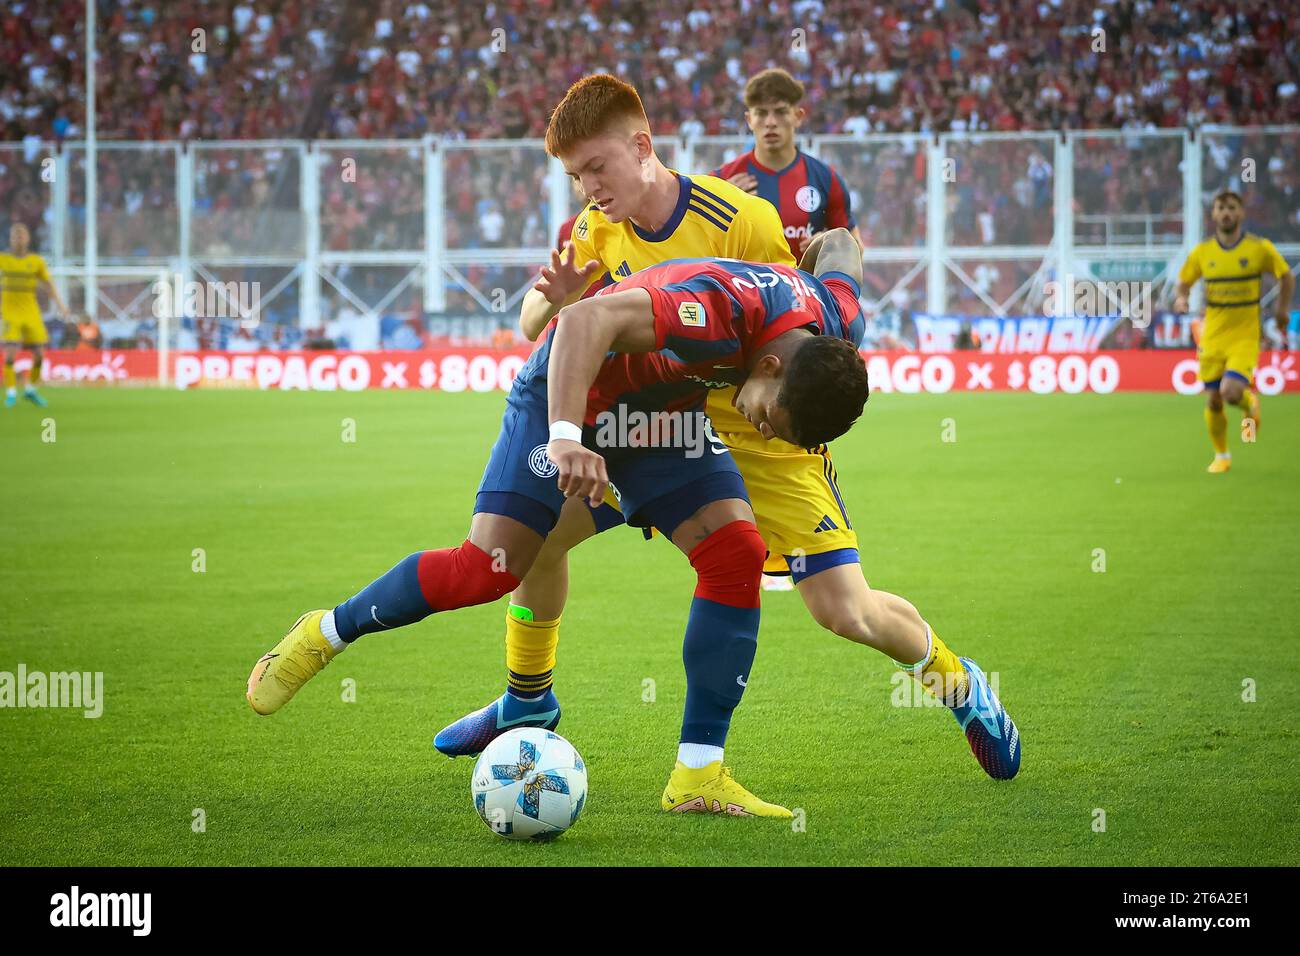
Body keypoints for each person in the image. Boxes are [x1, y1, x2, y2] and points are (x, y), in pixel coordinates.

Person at [438, 74, 1021, 784]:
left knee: (845, 611)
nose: (589, 185)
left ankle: (963, 687)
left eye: (596, 168)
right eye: (579, 174)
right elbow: (546, 325)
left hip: (762, 427)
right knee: (536, 542)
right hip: (662, 425)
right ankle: (526, 701)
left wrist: (822, 334)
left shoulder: (736, 216)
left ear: (640, 149)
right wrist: (551, 302)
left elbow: (790, 319)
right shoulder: (597, 226)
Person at [246, 232, 871, 818]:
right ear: (770, 367)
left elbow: (842, 247)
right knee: (487, 570)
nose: (761, 429)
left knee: (736, 551)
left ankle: (697, 775)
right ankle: (326, 632)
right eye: (771, 418)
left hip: (663, 422)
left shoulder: (835, 319)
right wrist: (569, 437)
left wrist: (815, 241)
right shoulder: (715, 309)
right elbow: (581, 319)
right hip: (569, 397)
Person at [1173, 191, 1294, 473]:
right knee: (1213, 399)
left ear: (1241, 214)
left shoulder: (1258, 248)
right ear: (1213, 214)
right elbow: (1183, 283)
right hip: (1213, 333)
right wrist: (1181, 297)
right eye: (1221, 208)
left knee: (1230, 392)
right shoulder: (1202, 253)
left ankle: (1249, 402)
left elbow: (1285, 276)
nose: (1226, 213)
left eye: (1232, 208)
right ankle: (1222, 456)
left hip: (1244, 334)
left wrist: (1281, 311)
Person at [714, 68, 863, 260]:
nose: (770, 122)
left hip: (805, 290)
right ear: (749, 120)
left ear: (798, 117)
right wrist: (721, 208)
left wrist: (831, 244)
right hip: (745, 290)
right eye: (761, 113)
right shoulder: (721, 183)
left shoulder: (826, 179)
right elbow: (697, 254)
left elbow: (856, 249)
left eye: (780, 112)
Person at [1, 223, 69, 408]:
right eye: (15, 236)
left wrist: (61, 305)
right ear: (10, 239)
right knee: (10, 354)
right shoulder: (3, 260)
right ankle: (11, 392)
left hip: (31, 312)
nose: (18, 240)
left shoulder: (36, 262)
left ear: (28, 239)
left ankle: (30, 389)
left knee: (39, 353)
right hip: (9, 314)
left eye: (21, 236)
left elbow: (48, 284)